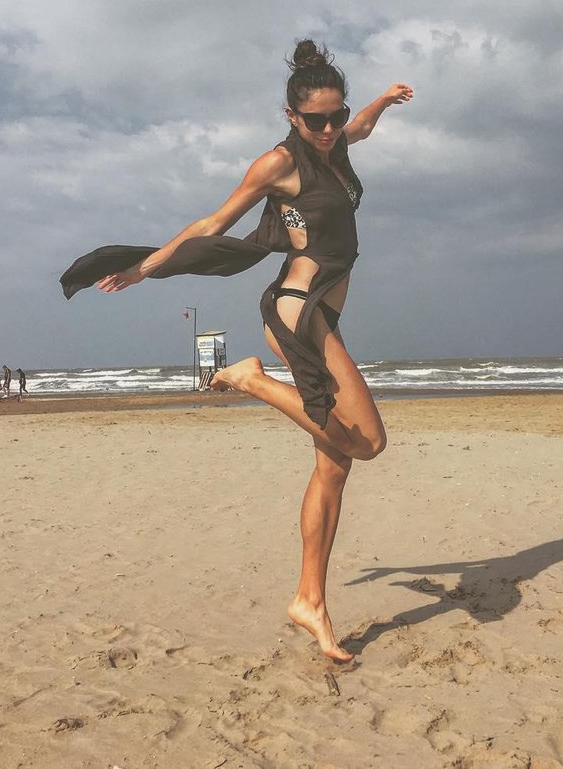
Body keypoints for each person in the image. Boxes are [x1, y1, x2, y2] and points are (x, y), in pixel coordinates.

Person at [60, 40, 412, 662]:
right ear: (291, 116)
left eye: (336, 115)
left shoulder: (336, 146)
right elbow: (211, 224)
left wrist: (382, 100)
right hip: (298, 311)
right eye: (316, 120)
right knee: (369, 442)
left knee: (335, 464)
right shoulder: (277, 164)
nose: (329, 128)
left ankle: (309, 601)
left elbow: (358, 128)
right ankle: (250, 379)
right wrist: (143, 269)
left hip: (323, 310)